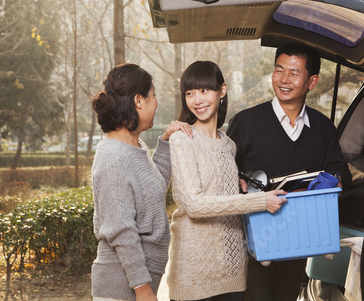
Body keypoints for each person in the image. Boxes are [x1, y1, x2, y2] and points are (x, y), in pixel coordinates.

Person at [226, 43, 352, 301]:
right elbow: (224, 172)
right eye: (279, 70)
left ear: (312, 81)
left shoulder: (323, 127)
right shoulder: (246, 122)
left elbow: (341, 171)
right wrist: (236, 180)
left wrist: (333, 180)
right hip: (256, 247)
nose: (284, 79)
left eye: (294, 73)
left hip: (299, 244)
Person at [167, 61, 288, 301]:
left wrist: (245, 191)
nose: (197, 100)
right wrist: (259, 202)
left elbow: (226, 200)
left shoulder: (229, 144)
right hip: (194, 274)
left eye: (204, 90)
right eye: (190, 93)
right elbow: (194, 205)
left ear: (222, 91)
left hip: (232, 272)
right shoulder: (182, 139)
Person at [90, 63, 192, 301]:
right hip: (122, 289)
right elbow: (121, 230)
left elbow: (153, 189)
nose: (156, 102)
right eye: (153, 96)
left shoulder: (133, 147)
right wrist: (142, 288)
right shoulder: (114, 157)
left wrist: (165, 142)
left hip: (141, 284)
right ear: (138, 101)